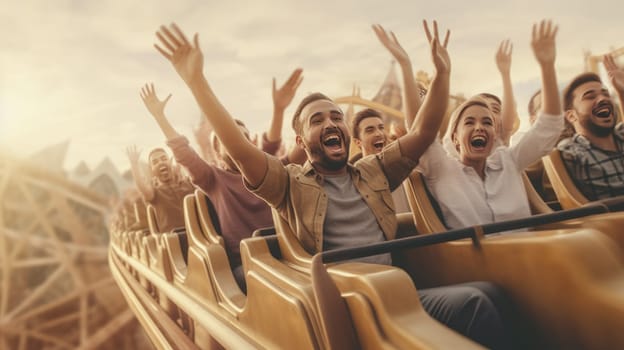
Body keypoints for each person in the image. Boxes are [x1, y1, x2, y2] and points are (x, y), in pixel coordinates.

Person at [153, 20, 510, 348]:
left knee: (491, 291)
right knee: (475, 303)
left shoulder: (373, 170)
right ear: (301, 138)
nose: (331, 123)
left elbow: (423, 131)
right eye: (317, 120)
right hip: (353, 302)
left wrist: (442, 74)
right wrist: (197, 83)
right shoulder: (289, 183)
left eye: (337, 116)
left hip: (396, 290)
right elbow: (241, 149)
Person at [138, 68, 303, 291]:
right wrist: (160, 117)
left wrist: (279, 110)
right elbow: (184, 153)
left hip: (290, 252)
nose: (239, 140)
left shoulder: (267, 171)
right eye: (230, 137)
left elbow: (292, 151)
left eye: (244, 137)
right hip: (249, 265)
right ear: (217, 150)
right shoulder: (214, 179)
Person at [416, 20, 563, 230]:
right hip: (479, 260)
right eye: (469, 122)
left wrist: (547, 66)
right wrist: (441, 75)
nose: (479, 127)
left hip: (529, 251)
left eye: (487, 122)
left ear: (495, 135)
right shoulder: (444, 169)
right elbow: (421, 133)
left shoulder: (508, 161)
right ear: (455, 137)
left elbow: (548, 128)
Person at [557, 54, 624, 200]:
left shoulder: (621, 135)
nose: (603, 99)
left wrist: (622, 91)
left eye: (606, 94)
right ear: (571, 116)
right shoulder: (573, 152)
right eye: (590, 96)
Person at [127, 145, 194, 233]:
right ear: (152, 170)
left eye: (164, 159)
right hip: (174, 240)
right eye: (155, 162)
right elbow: (142, 186)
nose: (160, 163)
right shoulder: (154, 192)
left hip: (200, 234)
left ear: (170, 162)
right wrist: (134, 164)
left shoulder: (188, 183)